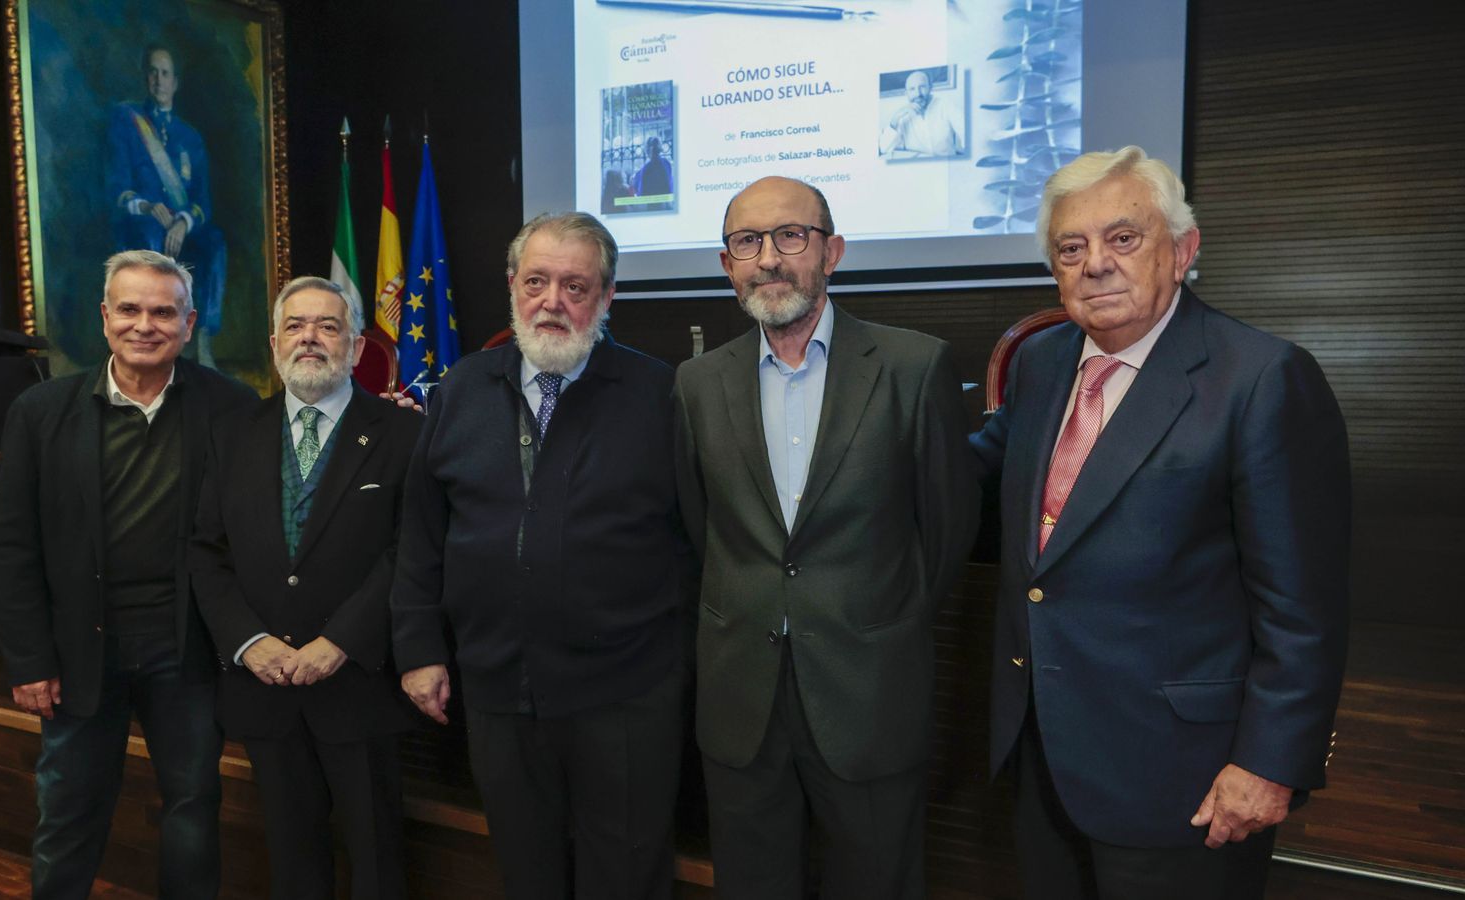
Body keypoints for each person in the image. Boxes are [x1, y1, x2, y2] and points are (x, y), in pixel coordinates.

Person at [969, 146, 1350, 899]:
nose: (1096, 264)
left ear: (1183, 250)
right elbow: (980, 484)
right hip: (1043, 760)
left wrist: (1270, 763)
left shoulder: (1261, 377)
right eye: (1070, 248)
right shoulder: (1042, 363)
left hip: (1189, 780)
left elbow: (1304, 607)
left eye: (1123, 238)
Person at [673, 176, 978, 898]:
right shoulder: (694, 383)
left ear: (832, 251)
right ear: (727, 266)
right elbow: (699, 530)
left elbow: (946, 530)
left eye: (791, 236)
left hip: (867, 695)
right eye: (747, 242)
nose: (769, 258)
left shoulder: (914, 367)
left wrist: (870, 620)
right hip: (740, 698)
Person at [392, 212, 689, 900]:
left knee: (625, 878)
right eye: (536, 282)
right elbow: (421, 535)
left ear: (607, 297)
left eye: (575, 286)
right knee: (527, 875)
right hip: (498, 690)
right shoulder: (458, 390)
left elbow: (695, 543)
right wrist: (418, 649)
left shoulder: (660, 395)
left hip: (626, 697)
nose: (552, 301)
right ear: (511, 287)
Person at [0, 249, 256, 899]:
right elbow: (13, 547)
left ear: (189, 323)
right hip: (81, 650)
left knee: (192, 807)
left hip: (185, 649)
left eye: (163, 312)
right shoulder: (40, 412)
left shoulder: (233, 408)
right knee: (69, 810)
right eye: (130, 309)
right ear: (105, 318)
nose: (146, 324)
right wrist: (28, 660)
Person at [189, 276, 420, 900]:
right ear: (273, 342)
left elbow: (412, 552)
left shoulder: (403, 434)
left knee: (377, 859)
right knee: (292, 861)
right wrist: (248, 642)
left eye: (327, 326)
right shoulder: (233, 433)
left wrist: (340, 640)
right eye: (295, 326)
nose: (310, 338)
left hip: (358, 682)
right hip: (266, 685)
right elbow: (207, 551)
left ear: (354, 345)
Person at [109, 45, 227, 366]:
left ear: (175, 82)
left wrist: (184, 221)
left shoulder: (190, 137)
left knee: (214, 243)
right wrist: (146, 206)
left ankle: (202, 335)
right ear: (145, 77)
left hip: (182, 228)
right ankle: (153, 334)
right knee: (148, 238)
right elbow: (117, 189)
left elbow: (202, 201)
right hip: (142, 225)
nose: (158, 80)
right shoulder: (127, 124)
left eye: (165, 73)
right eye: (153, 72)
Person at [878, 69, 961, 157]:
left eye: (922, 87)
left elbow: (966, 135)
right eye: (912, 89)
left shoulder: (946, 105)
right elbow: (884, 149)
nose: (918, 93)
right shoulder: (902, 115)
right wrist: (894, 120)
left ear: (930, 88)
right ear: (907, 93)